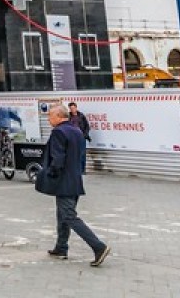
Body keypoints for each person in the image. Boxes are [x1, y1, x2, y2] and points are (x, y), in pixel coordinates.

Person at [36, 103, 110, 267]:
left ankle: (98, 247)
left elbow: (58, 159)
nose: (48, 119)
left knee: (69, 216)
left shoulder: (58, 132)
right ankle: (61, 247)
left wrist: (51, 174)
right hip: (75, 179)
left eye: (50, 116)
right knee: (62, 215)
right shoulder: (76, 131)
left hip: (64, 182)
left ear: (59, 116)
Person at [68, 101, 91, 174]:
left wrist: (85, 135)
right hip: (72, 138)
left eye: (73, 108)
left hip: (81, 137)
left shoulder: (81, 115)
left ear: (76, 107)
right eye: (71, 108)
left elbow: (87, 126)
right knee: (72, 154)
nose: (72, 109)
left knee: (82, 154)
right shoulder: (68, 116)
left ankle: (82, 170)